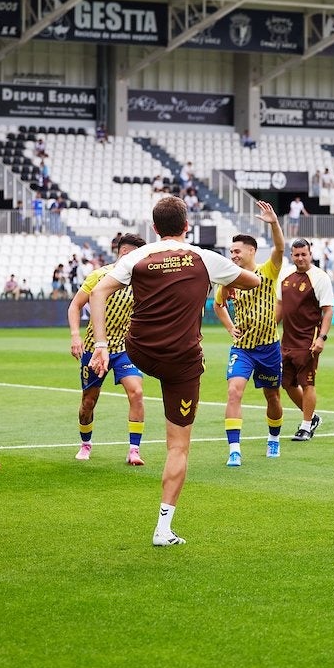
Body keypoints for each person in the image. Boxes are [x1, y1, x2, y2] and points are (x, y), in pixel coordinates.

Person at [89, 196, 260, 546]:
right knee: (178, 447)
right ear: (187, 226)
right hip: (181, 360)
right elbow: (253, 282)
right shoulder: (205, 258)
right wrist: (228, 275)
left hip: (139, 350)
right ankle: (163, 528)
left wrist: (102, 345)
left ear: (153, 229)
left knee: (145, 374)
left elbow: (98, 292)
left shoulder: (136, 256)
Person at [213, 201, 285, 466]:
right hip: (242, 349)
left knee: (272, 396)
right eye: (231, 251)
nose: (232, 255)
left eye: (237, 251)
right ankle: (234, 449)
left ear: (251, 251)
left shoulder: (268, 271)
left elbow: (280, 248)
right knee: (234, 391)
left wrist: (274, 223)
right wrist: (230, 327)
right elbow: (218, 304)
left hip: (268, 348)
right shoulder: (229, 279)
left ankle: (274, 438)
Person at [68, 233, 149, 465]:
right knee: (88, 402)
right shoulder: (99, 276)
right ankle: (85, 444)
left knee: (137, 392)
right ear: (124, 253)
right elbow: (75, 305)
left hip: (126, 349)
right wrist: (75, 336)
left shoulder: (141, 281)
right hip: (95, 349)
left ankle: (134, 450)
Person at [277, 238, 334, 442]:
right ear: (291, 255)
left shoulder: (320, 278)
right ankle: (312, 417)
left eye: (304, 254)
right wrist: (270, 328)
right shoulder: (284, 275)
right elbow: (280, 306)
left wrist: (322, 338)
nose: (300, 258)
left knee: (307, 382)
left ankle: (306, 426)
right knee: (287, 383)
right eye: (296, 254)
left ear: (310, 254)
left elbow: (328, 311)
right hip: (286, 340)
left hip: (308, 340)